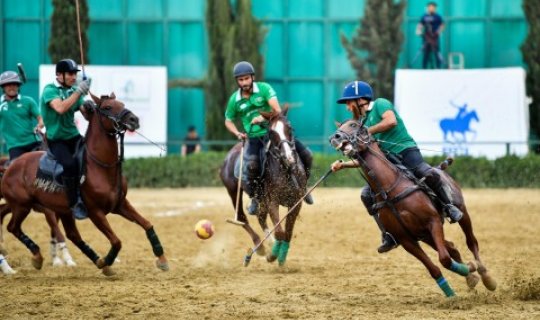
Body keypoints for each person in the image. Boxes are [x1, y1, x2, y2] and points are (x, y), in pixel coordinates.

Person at [330, 81, 463, 253]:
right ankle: (388, 235)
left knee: (427, 173)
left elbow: (390, 121)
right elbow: (370, 158)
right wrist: (343, 165)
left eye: (348, 102)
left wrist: (366, 132)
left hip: (406, 150)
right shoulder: (362, 122)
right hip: (387, 160)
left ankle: (448, 207)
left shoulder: (380, 104)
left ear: (360, 99)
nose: (347, 107)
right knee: (366, 195)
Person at [224, 61, 314, 215]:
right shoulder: (235, 99)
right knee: (252, 166)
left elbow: (277, 110)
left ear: (252, 77)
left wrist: (261, 118)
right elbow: (228, 120)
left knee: (307, 155)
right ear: (237, 81)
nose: (244, 82)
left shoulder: (265, 89)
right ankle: (256, 198)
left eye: (246, 78)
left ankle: (304, 186)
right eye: (240, 80)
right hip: (254, 138)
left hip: (274, 132)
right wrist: (237, 133)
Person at [40, 58, 92, 220]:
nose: (73, 77)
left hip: (74, 136)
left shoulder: (73, 90)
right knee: (69, 165)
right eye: (70, 74)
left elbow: (86, 115)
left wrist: (89, 106)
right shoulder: (49, 90)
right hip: (57, 140)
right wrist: (78, 92)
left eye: (74, 74)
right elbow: (61, 108)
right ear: (59, 75)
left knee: (91, 158)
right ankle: (74, 203)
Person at [0, 70, 44, 162]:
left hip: (34, 143)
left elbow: (40, 119)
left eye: (14, 84)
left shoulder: (28, 101)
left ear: (18, 86)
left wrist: (39, 126)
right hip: (15, 146)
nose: (12, 87)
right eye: (8, 85)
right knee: (15, 173)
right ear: (3, 87)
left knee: (47, 168)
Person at [416, 1, 445, 69]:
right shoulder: (424, 16)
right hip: (426, 38)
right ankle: (424, 68)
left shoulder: (438, 17)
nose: (431, 8)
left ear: (435, 8)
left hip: (435, 38)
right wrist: (419, 32)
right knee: (425, 53)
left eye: (433, 7)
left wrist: (438, 32)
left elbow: (442, 25)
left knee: (437, 53)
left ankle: (438, 68)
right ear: (427, 8)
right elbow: (420, 25)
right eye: (430, 7)